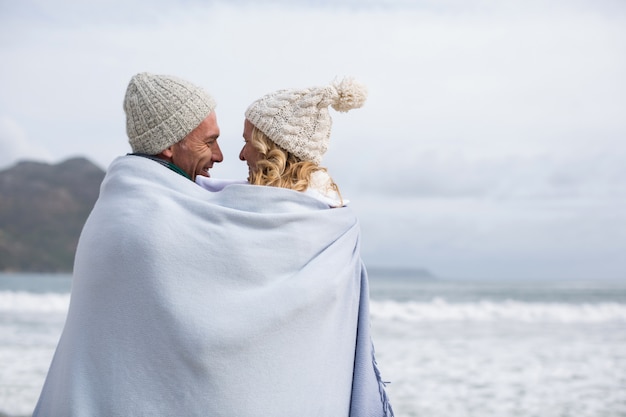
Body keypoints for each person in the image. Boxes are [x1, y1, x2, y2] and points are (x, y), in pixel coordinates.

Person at [198, 78, 394, 416]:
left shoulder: (329, 228)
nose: (242, 154)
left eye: (248, 142)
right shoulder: (334, 217)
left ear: (275, 148)